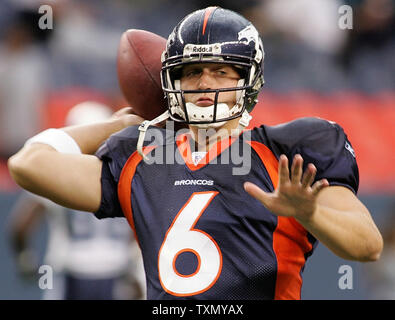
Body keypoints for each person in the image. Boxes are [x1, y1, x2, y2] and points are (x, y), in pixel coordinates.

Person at [8, 7, 383, 300]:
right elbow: (28, 164)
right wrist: (117, 125)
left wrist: (309, 211)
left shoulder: (289, 151)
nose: (205, 83)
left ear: (248, 80)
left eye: (222, 71)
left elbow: (367, 246)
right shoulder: (141, 157)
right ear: (171, 83)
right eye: (192, 72)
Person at [8, 102, 146, 300]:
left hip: (71, 271)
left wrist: (25, 260)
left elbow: (21, 226)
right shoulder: (129, 172)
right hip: (117, 270)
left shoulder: (55, 174)